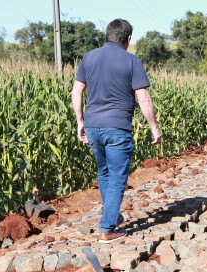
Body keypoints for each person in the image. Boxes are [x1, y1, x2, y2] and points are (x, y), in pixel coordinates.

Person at [71, 18, 162, 243]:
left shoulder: (89, 57)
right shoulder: (132, 60)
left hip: (93, 126)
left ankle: (111, 216)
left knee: (104, 173)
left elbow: (76, 92)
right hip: (118, 128)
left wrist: (80, 121)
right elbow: (144, 98)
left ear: (107, 35)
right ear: (128, 39)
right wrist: (154, 127)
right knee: (118, 177)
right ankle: (107, 229)